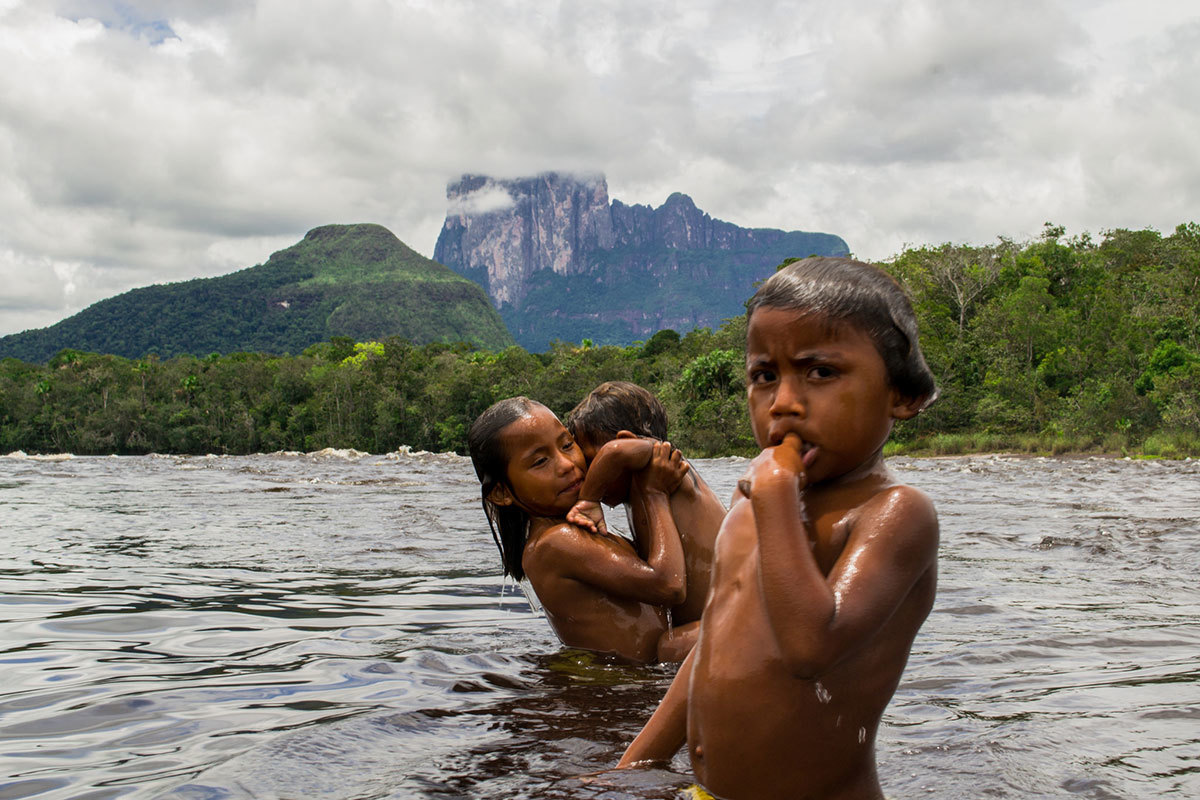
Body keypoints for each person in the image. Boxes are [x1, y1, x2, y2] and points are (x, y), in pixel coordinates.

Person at [615, 257, 940, 800]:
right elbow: (712, 645)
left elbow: (812, 647)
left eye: (821, 372)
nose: (784, 403)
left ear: (901, 396)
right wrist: (634, 765)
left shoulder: (894, 513)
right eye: (765, 376)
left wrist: (774, 498)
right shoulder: (751, 509)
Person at [467, 397, 690, 663]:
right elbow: (669, 585)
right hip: (631, 685)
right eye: (540, 462)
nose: (566, 464)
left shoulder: (573, 531)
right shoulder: (556, 543)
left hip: (641, 675)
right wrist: (655, 493)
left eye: (567, 444)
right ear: (502, 493)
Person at [565, 382, 726, 657]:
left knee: (669, 648)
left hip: (740, 616)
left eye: (590, 462)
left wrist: (589, 501)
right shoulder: (648, 486)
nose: (585, 476)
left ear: (627, 439)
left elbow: (613, 452)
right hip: (720, 618)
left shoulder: (661, 461)